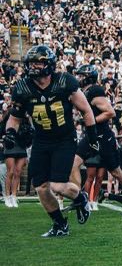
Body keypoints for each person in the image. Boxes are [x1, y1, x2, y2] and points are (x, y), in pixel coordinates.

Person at [5, 45, 95, 237]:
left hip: (64, 139)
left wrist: (92, 135)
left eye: (38, 62)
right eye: (31, 63)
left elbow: (86, 110)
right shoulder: (22, 87)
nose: (34, 67)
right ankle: (60, 224)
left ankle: (81, 197)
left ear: (49, 64)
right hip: (41, 139)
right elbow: (15, 117)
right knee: (41, 187)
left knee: (57, 185)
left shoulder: (64, 81)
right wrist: (11, 132)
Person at [69, 64, 122, 215]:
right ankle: (80, 200)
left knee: (116, 172)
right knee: (73, 164)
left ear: (88, 77)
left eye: (81, 76)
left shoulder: (95, 91)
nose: (79, 78)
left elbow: (110, 112)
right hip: (90, 135)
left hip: (103, 136)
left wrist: (90, 121)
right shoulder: (84, 92)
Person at [1, 110, 31, 208]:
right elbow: (1, 131)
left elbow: (30, 132)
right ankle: (7, 196)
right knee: (10, 172)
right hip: (10, 147)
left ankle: (14, 196)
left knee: (18, 173)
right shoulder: (8, 118)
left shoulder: (24, 119)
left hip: (21, 147)